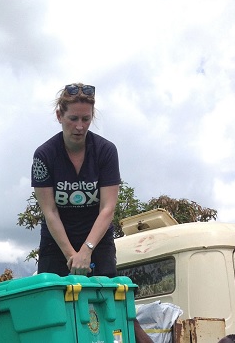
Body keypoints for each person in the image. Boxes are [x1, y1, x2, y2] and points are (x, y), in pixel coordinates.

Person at [30, 83, 152, 343]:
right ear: (59, 116)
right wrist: (71, 256)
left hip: (97, 240)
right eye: (73, 118)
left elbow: (108, 208)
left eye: (86, 119)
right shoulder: (44, 155)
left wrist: (86, 250)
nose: (80, 126)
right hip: (57, 242)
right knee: (55, 307)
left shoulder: (106, 151)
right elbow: (49, 210)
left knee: (113, 308)